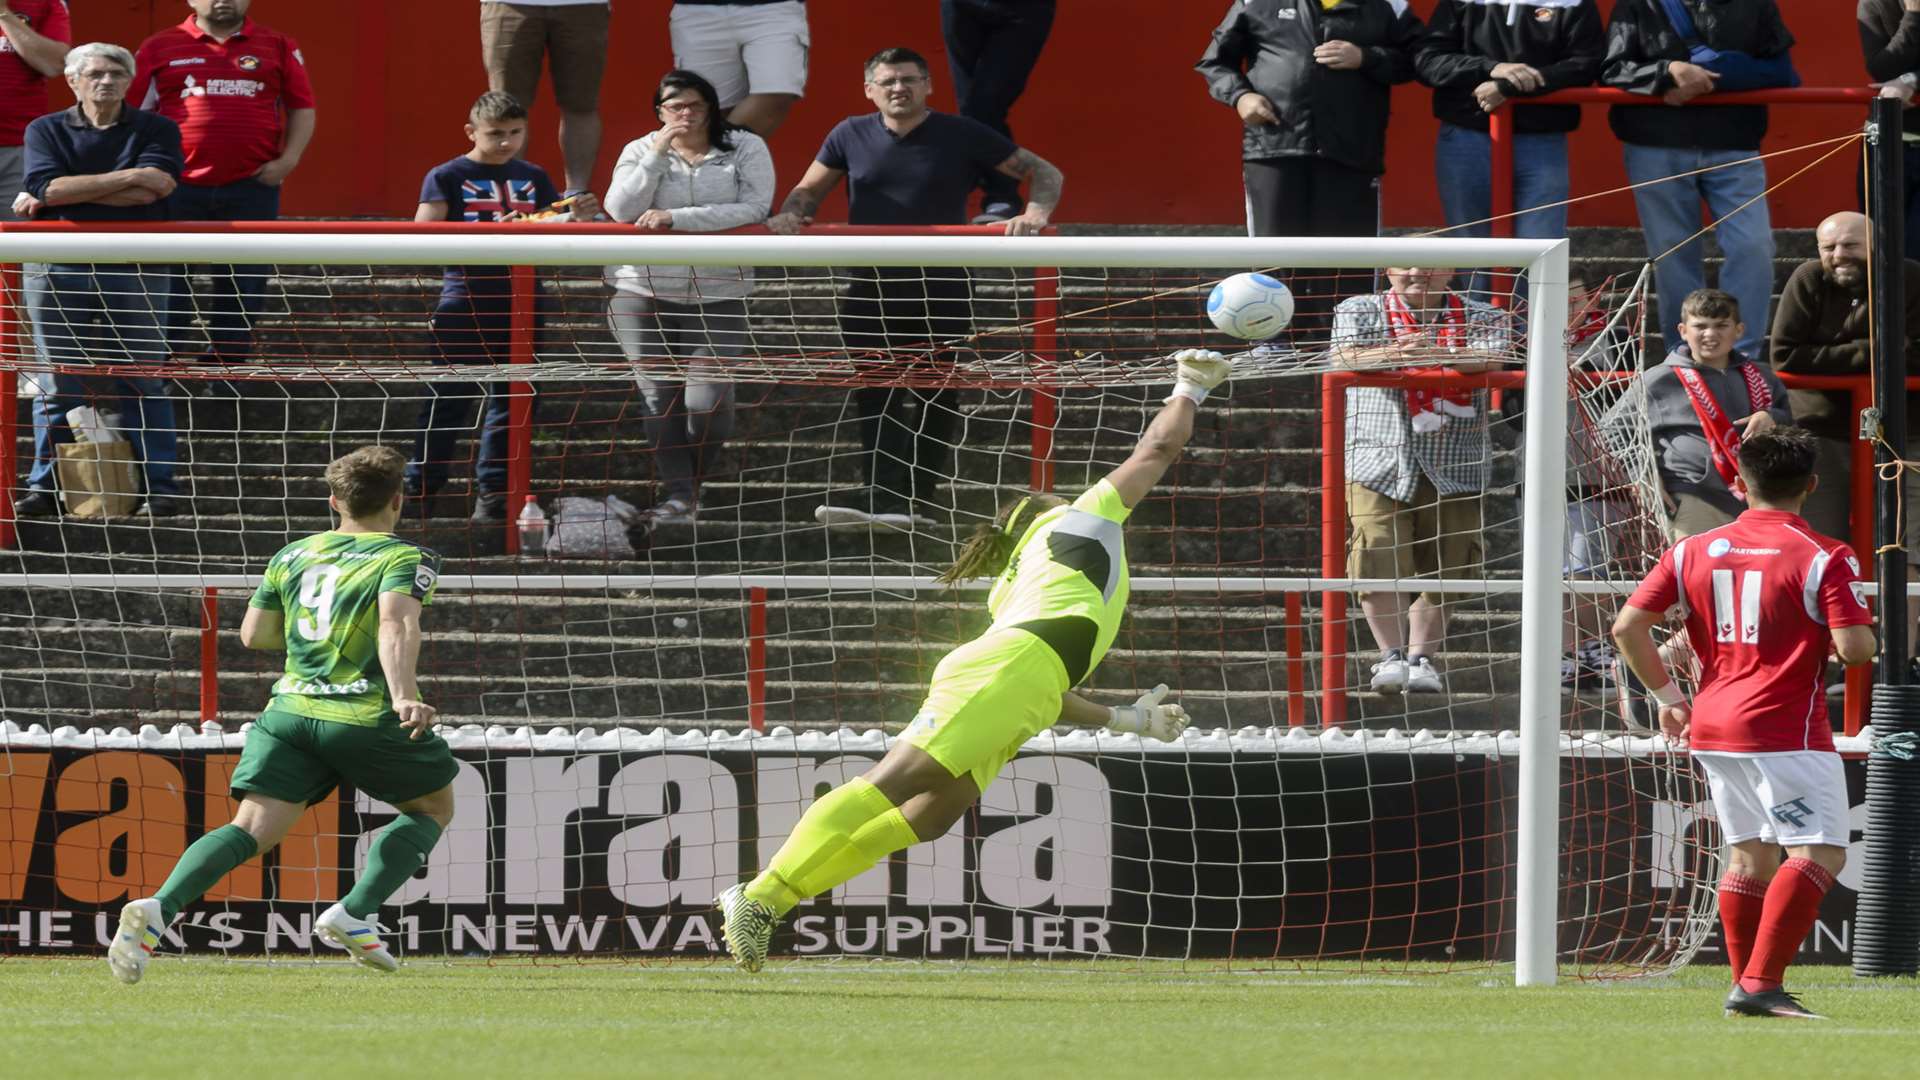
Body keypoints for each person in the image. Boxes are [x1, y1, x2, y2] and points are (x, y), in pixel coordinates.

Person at [715, 349, 1230, 972]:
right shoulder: (1078, 522)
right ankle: (762, 896)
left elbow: (1043, 687)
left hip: (1018, 676)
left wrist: (1127, 720)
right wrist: (1191, 388)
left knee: (930, 815)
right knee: (891, 784)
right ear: (1042, 514)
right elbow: (1156, 451)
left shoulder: (1014, 582)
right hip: (1005, 671)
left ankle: (770, 900)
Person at [105, 446, 456, 984]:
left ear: (334, 500)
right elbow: (396, 624)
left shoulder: (292, 554)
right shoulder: (406, 557)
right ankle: (355, 913)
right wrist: (405, 693)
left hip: (288, 712)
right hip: (360, 713)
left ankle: (158, 909)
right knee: (431, 807)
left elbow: (254, 635)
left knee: (251, 827)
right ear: (398, 500)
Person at [1613, 427, 1875, 1020]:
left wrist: (1665, 693)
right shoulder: (1824, 554)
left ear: (1737, 484)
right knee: (1821, 852)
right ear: (1811, 485)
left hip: (1713, 722)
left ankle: (1747, 986)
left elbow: (1627, 627)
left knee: (1749, 857)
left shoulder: (1691, 550)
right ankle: (1758, 984)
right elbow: (1856, 649)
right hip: (1784, 728)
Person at [769, 46, 1064, 529]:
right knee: (875, 394)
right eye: (887, 81)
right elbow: (808, 190)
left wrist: (1035, 214)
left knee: (936, 395)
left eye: (909, 79)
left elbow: (1044, 172)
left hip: (941, 287)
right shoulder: (849, 132)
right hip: (870, 289)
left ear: (928, 85)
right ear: (870, 90)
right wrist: (793, 211)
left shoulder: (961, 133)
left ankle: (919, 501)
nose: (898, 88)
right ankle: (882, 498)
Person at [410, 91, 600, 523]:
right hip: (465, 299)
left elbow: (554, 225)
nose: (506, 142)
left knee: (514, 403)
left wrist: (576, 216)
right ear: (471, 131)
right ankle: (419, 491)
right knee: (446, 401)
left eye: (516, 133)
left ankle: (494, 497)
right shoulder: (447, 173)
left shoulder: (532, 174)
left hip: (525, 299)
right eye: (496, 133)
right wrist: (486, 233)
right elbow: (422, 233)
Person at [15, 42, 185, 519]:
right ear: (72, 80)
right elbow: (45, 186)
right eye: (94, 73)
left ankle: (161, 487)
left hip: (140, 264)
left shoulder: (158, 128)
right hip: (57, 266)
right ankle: (45, 488)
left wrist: (66, 195)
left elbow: (160, 187)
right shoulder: (44, 128)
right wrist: (129, 177)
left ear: (129, 80)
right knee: (55, 383)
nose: (104, 81)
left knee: (143, 379)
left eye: (114, 73)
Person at [1196, 0, 1423, 340]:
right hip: (1272, 147)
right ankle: (1274, 342)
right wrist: (1241, 97)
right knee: (1274, 254)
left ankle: (1350, 345)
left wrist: (1366, 57)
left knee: (1349, 256)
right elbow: (1215, 61)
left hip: (1353, 150)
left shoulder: (1390, 5)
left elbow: (1420, 60)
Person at [605, 69, 775, 524]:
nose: (686, 113)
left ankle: (687, 490)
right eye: (674, 106)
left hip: (720, 291)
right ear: (659, 112)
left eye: (695, 105)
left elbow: (755, 207)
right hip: (642, 290)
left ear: (712, 107)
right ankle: (680, 496)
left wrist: (675, 218)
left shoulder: (745, 145)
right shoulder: (640, 149)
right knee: (658, 396)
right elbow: (620, 209)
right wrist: (658, 153)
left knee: (709, 402)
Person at [1333, 266, 1511, 694]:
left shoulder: (1483, 314)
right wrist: (1400, 351)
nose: (1417, 273)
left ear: (1449, 270)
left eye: (1429, 264)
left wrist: (1437, 350)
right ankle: (1390, 658)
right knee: (1375, 549)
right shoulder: (1361, 308)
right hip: (1378, 455)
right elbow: (1343, 356)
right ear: (1389, 270)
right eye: (1406, 264)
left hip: (1456, 458)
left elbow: (1493, 357)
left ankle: (1422, 658)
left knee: (1451, 562)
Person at [1602, 0, 1798, 358]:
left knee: (1752, 246)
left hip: (1734, 143)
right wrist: (1667, 72)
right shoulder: (1637, 4)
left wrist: (1707, 80)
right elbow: (1612, 69)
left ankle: (1742, 356)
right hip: (1655, 143)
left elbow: (1782, 71)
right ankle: (1686, 356)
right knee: (1673, 252)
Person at [131, 0, 316, 367]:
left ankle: (226, 366)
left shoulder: (278, 45)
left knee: (244, 281)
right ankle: (164, 363)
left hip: (252, 185)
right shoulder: (158, 46)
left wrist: (288, 160)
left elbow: (302, 107)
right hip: (176, 187)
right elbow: (133, 113)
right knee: (170, 279)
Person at [1770, 210, 1920, 649]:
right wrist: (1873, 352)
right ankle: (1827, 657)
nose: (1839, 256)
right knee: (1821, 551)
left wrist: (1837, 354)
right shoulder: (1808, 280)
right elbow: (1786, 356)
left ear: (1877, 246)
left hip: (1905, 434)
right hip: (1824, 430)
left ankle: (1899, 662)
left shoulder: (1910, 279)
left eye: (1851, 245)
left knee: (1904, 550)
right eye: (1829, 247)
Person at [1414, 0, 1603, 299]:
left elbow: (1587, 63)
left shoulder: (1574, 3)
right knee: (1471, 245)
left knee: (1541, 245)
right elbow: (1428, 60)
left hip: (1543, 139)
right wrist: (1492, 69)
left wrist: (1509, 87)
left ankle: (1530, 341)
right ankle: (1482, 335)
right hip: (1466, 134)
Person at [1611, 288, 1791, 539]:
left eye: (1721, 325)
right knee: (1694, 576)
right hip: (1695, 495)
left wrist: (1773, 417)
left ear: (1738, 330)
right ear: (1683, 331)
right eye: (1700, 326)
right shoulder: (1660, 378)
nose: (1710, 334)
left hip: (1759, 498)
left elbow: (1792, 425)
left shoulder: (1762, 377)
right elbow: (1612, 429)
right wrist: (1643, 476)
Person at [941, 0, 1055, 223]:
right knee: (969, 107)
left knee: (984, 104)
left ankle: (1001, 196)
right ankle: (993, 194)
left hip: (1024, 10)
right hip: (962, 6)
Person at [479, 0, 610, 194]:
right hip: (510, 4)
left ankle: (577, 195)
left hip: (584, 5)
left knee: (581, 105)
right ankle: (507, 197)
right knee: (505, 109)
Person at [668, 0, 809, 137]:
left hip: (774, 8)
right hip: (697, 11)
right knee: (710, 109)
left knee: (776, 91)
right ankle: (719, 158)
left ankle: (717, 158)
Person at [1858, 0, 1920, 260]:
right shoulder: (1874, 3)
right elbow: (1882, 68)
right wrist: (1914, 16)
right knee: (1882, 246)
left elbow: (1898, 74)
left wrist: (1912, 80)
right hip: (1885, 142)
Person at [0, 0, 70, 221]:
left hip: (20, 146)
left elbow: (54, 64)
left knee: (18, 243)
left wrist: (3, 13)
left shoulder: (46, 3)